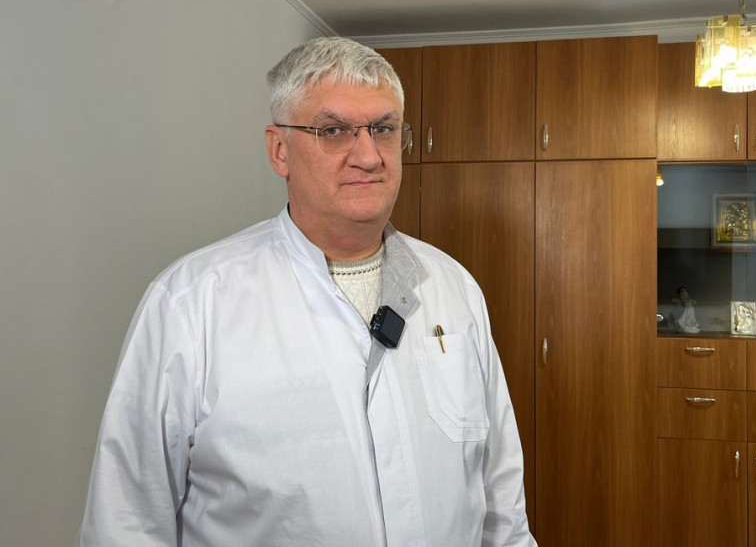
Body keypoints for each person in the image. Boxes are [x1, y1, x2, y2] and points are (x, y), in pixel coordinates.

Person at [75, 36, 536, 547]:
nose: (368, 156)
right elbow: (126, 524)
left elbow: (502, 506)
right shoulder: (191, 303)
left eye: (383, 129)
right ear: (280, 150)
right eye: (333, 131)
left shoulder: (454, 288)